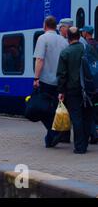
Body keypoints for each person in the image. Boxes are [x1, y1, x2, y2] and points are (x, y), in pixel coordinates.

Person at [57, 27, 94, 154]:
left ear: (68, 37)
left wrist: (61, 92)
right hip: (90, 89)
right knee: (87, 116)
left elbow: (62, 74)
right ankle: (85, 143)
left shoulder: (65, 53)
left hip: (73, 90)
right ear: (79, 36)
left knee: (77, 118)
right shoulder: (88, 49)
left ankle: (80, 146)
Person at [34, 16, 69, 147]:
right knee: (55, 109)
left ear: (45, 25)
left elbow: (40, 60)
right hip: (60, 81)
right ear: (56, 26)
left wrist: (36, 78)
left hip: (45, 80)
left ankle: (53, 132)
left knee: (43, 110)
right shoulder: (63, 41)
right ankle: (51, 138)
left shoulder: (42, 38)